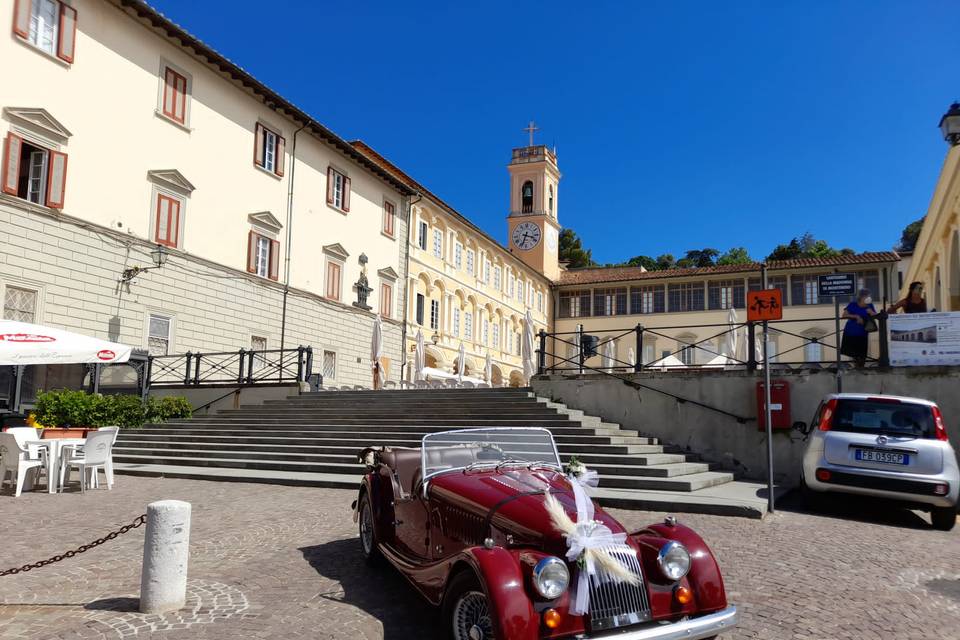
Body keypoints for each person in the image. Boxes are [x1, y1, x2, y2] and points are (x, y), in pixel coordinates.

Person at [840, 289, 878, 367]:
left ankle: (861, 368)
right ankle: (857, 368)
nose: (869, 298)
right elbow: (844, 315)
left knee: (862, 355)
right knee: (855, 356)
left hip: (863, 333)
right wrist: (856, 316)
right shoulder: (852, 304)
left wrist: (871, 312)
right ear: (862, 297)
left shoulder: (870, 305)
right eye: (867, 296)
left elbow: (876, 316)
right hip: (851, 333)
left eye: (869, 296)